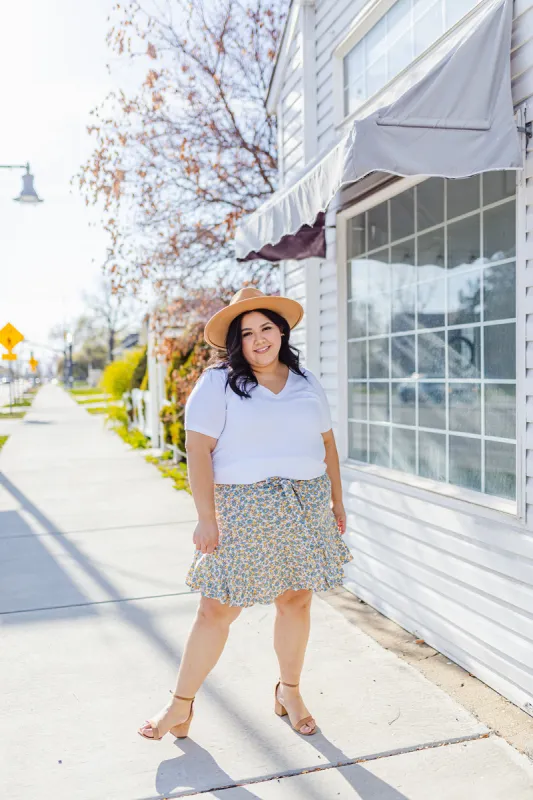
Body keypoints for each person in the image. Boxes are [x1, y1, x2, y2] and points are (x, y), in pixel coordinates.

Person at [138, 287, 352, 741]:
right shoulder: (217, 383)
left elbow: (328, 443)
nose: (259, 339)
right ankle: (180, 705)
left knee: (296, 600)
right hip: (244, 510)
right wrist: (206, 516)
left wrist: (337, 500)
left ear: (281, 332)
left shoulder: (306, 381)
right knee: (215, 610)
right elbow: (198, 450)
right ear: (236, 341)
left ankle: (288, 692)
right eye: (248, 332)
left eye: (267, 328)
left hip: (306, 503)